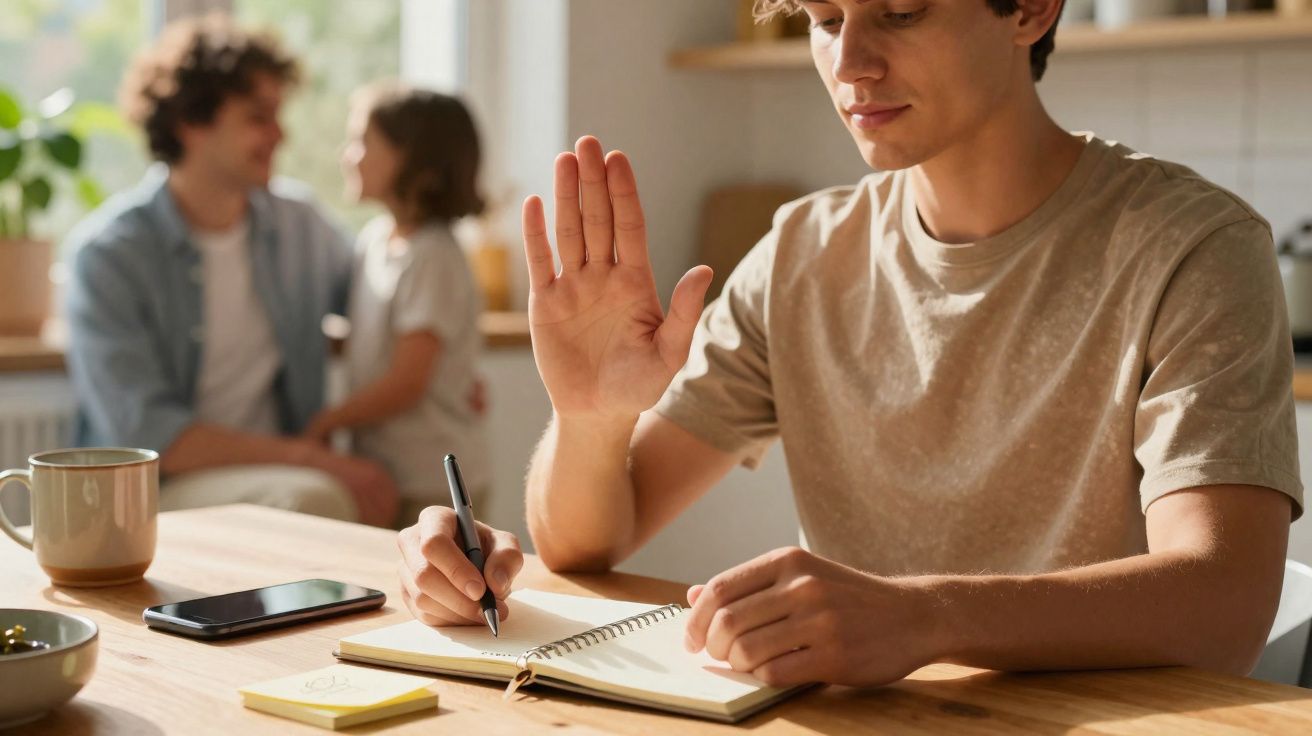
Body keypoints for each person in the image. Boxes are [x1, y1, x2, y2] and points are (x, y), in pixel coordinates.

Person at [396, 0, 1302, 688]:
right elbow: (594, 539)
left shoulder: (1194, 248)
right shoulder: (801, 251)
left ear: (1030, 7)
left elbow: (1221, 598)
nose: (850, 63)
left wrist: (925, 616)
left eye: (900, 10)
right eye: (826, 18)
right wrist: (591, 420)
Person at [64, 15, 398, 526]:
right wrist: (310, 456)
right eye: (258, 117)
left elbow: (384, 305)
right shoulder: (108, 256)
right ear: (190, 122)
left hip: (273, 472)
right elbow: (151, 434)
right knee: (317, 497)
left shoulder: (299, 226)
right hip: (152, 491)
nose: (280, 133)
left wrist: (441, 363)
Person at [304, 83, 491, 529]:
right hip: (392, 472)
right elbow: (376, 336)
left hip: (433, 482)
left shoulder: (433, 255)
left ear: (411, 158)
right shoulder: (374, 240)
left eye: (361, 142)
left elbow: (408, 381)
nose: (347, 155)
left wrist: (328, 421)